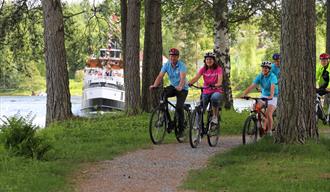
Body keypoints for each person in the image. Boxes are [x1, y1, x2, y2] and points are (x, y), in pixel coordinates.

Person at [149, 48, 188, 136]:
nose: (172, 58)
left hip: (183, 89)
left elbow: (182, 78)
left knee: (178, 107)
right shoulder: (166, 65)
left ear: (178, 57)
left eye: (174, 56)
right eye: (171, 56)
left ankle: (181, 129)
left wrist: (180, 86)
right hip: (174, 87)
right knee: (163, 94)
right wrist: (155, 85)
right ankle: (164, 116)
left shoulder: (182, 65)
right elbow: (160, 76)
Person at [241, 61, 278, 135]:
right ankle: (255, 124)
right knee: (255, 108)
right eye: (263, 67)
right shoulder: (260, 76)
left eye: (266, 68)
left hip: (273, 96)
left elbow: (272, 87)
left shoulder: (273, 76)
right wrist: (244, 93)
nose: (264, 69)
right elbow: (252, 86)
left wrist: (271, 95)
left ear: (269, 69)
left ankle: (269, 131)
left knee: (268, 113)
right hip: (264, 95)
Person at [188, 52, 223, 124]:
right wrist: (189, 83)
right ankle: (197, 126)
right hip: (206, 90)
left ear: (214, 61)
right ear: (205, 61)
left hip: (216, 90)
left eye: (210, 59)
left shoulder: (218, 69)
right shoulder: (203, 69)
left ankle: (215, 116)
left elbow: (220, 82)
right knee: (201, 108)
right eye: (207, 59)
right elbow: (196, 78)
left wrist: (215, 85)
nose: (208, 61)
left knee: (214, 98)